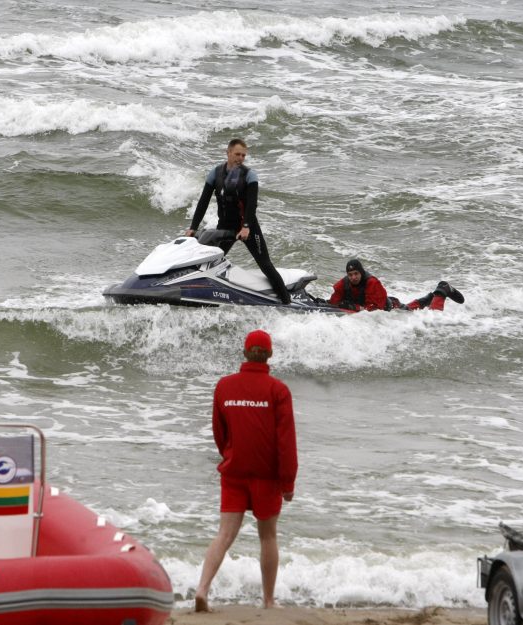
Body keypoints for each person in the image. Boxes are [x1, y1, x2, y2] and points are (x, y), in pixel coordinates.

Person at [195, 330, 298, 612]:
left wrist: (229, 455)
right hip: (266, 476)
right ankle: (268, 600)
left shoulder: (225, 386)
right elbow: (286, 442)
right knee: (268, 536)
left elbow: (219, 431)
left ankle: (202, 588)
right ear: (269, 354)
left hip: (234, 471)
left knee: (224, 534)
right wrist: (288, 482)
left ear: (244, 352)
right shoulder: (278, 390)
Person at [185, 138, 292, 304]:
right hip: (225, 226)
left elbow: (252, 204)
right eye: (237, 154)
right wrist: (193, 227)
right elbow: (203, 202)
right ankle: (199, 296)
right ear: (228, 153)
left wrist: (247, 227)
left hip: (247, 227)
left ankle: (287, 302)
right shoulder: (215, 173)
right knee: (209, 262)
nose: (240, 158)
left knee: (265, 264)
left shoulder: (250, 175)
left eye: (243, 155)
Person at [329, 258, 465, 312]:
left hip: (391, 309)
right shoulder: (344, 283)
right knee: (412, 308)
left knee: (431, 317)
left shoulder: (372, 283)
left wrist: (353, 307)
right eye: (350, 274)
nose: (353, 277)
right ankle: (428, 299)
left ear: (361, 272)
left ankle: (442, 290)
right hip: (388, 306)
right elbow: (334, 302)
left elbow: (374, 310)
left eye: (356, 273)